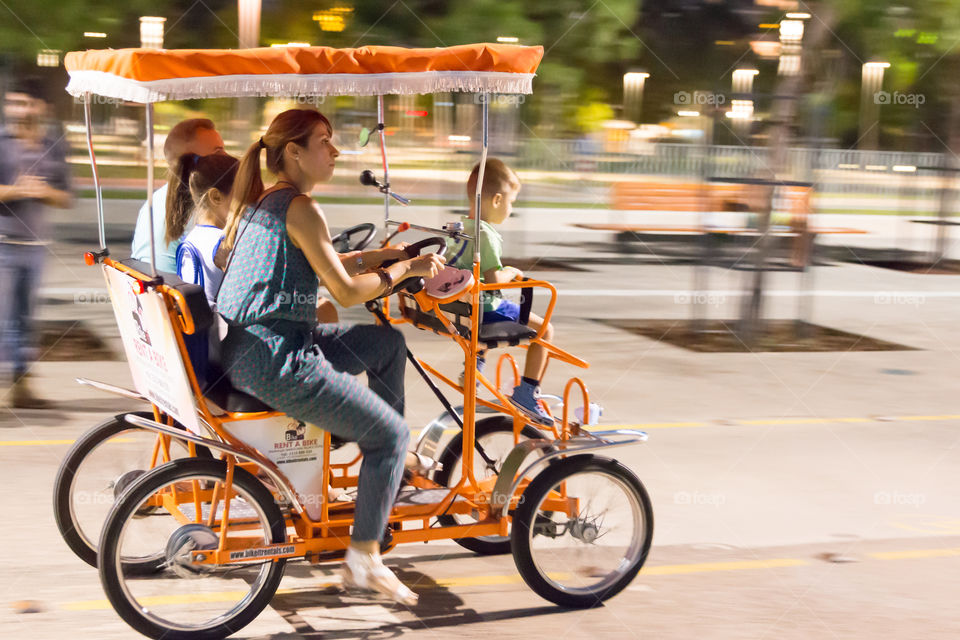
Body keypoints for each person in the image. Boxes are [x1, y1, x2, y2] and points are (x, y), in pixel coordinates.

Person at [217, 108, 444, 605]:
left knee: (387, 345)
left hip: (250, 347)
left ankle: (378, 472)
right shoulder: (300, 207)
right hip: (280, 359)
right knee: (392, 434)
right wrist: (403, 273)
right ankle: (364, 558)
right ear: (294, 153)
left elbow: (323, 261)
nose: (336, 151)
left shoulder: (268, 202)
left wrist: (381, 258)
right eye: (325, 141)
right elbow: (343, 292)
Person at [445, 158, 555, 426]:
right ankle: (527, 393)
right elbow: (495, 281)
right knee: (546, 331)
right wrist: (512, 272)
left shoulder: (461, 230)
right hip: (484, 309)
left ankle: (475, 366)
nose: (510, 208)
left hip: (460, 308)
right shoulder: (487, 235)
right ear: (496, 200)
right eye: (511, 202)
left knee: (483, 307)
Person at [0, 78, 72, 409]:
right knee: (3, 319)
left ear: (41, 108)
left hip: (36, 246)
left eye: (27, 103)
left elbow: (65, 197)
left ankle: (21, 389)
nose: (19, 110)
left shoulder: (54, 144)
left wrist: (46, 192)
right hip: (3, 245)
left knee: (24, 322)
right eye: (14, 103)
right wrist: (18, 190)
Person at [131, 119, 223, 272]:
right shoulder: (204, 208)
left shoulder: (155, 199)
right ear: (191, 161)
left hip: (149, 291)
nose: (227, 158)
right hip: (181, 292)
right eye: (218, 152)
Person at [166, 152, 238, 308]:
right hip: (219, 329)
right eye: (243, 193)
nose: (250, 201)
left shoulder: (192, 237)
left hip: (197, 326)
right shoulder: (225, 242)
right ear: (216, 197)